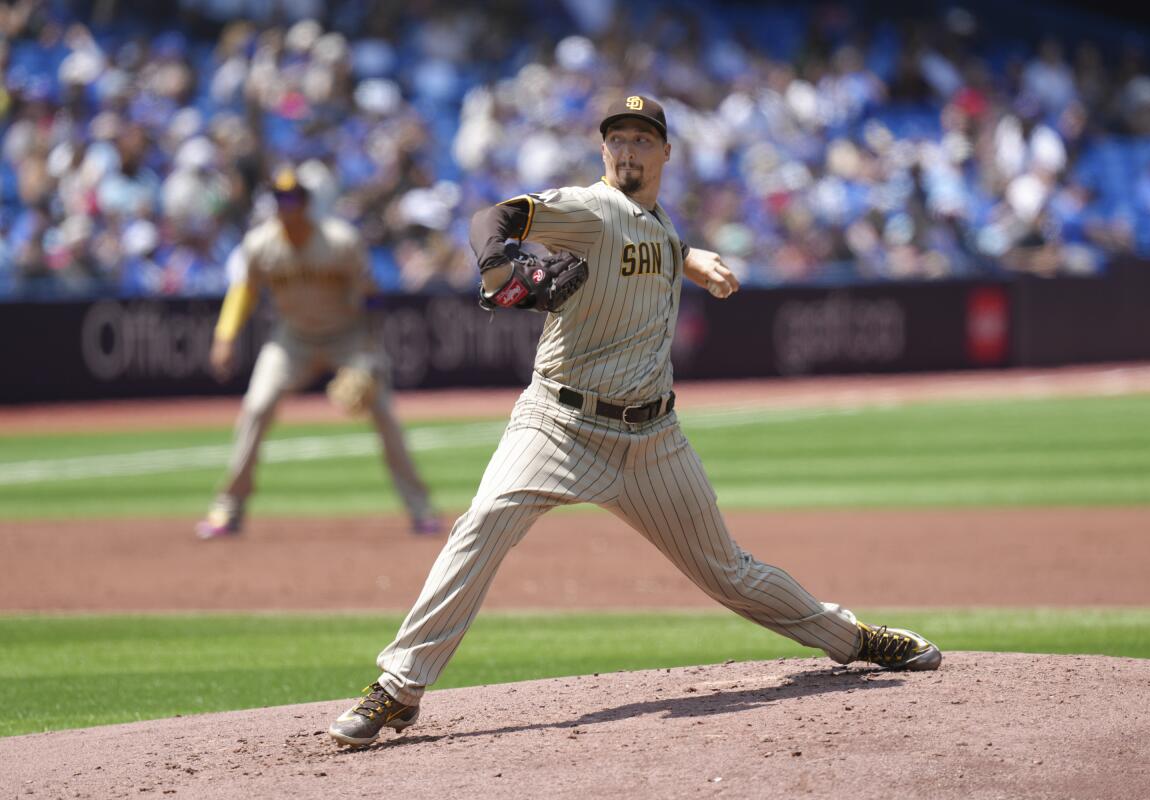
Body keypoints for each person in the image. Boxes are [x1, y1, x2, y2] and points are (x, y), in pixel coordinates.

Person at [328, 95, 941, 747]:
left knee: (730, 573)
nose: (627, 149)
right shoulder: (591, 208)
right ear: (602, 151)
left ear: (665, 154)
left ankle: (854, 639)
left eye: (642, 140)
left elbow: (654, 239)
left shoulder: (658, 226)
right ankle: (397, 688)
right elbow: (496, 216)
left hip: (652, 441)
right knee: (482, 523)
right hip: (558, 425)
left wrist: (693, 257)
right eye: (616, 139)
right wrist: (497, 262)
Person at [196, 167, 440, 539]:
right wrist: (225, 336)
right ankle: (228, 510)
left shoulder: (339, 241)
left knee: (385, 416)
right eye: (279, 198)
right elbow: (244, 291)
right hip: (292, 340)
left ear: (307, 204)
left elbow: (371, 295)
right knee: (256, 407)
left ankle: (420, 510)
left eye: (293, 198)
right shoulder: (260, 244)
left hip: (347, 337)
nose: (286, 205)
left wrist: (370, 354)